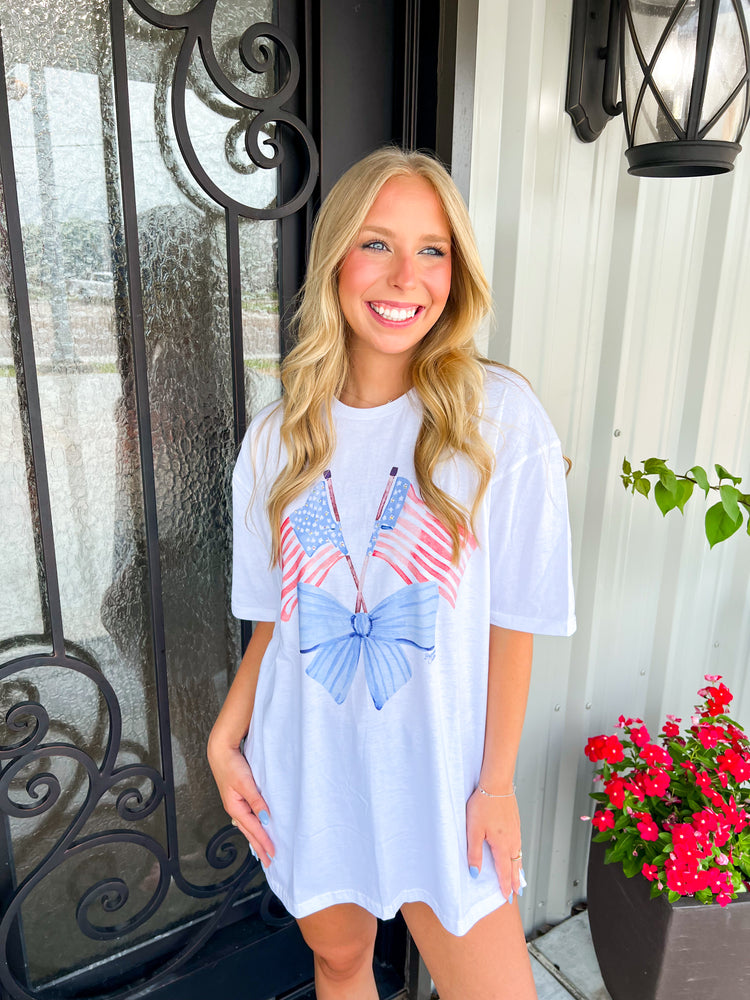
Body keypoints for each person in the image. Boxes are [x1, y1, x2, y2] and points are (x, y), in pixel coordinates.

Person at [207, 147, 575, 1000]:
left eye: (433, 249)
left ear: (458, 270)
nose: (406, 275)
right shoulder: (276, 439)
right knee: (338, 963)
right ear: (337, 258)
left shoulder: (500, 421)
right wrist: (227, 738)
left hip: (444, 781)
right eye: (377, 244)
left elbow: (511, 624)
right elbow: (276, 623)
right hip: (313, 766)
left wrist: (495, 787)